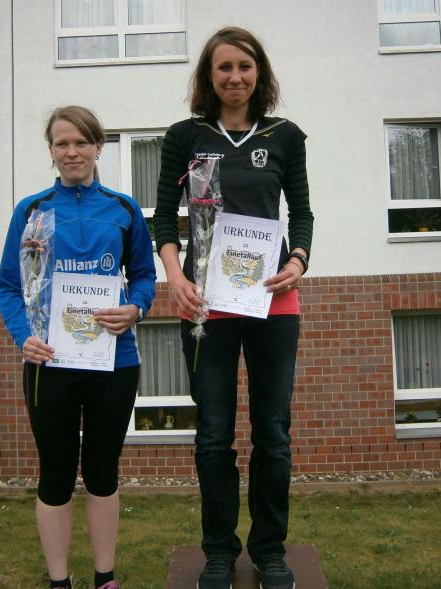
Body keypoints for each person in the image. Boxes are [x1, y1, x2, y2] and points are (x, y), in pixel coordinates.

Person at [152, 26, 313, 589]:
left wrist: (298, 261)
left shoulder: (285, 136)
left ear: (259, 73)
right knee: (214, 435)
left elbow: (302, 213)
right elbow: (163, 215)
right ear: (209, 75)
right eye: (224, 67)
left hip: (273, 302)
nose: (235, 77)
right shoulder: (184, 136)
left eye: (245, 67)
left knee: (273, 434)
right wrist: (175, 276)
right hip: (205, 305)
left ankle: (270, 550)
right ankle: (219, 551)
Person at [0, 105, 156, 589]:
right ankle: (59, 581)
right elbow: (9, 287)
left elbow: (144, 277)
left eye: (81, 142)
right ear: (50, 150)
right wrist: (24, 337)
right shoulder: (31, 211)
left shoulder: (124, 209)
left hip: (114, 360)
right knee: (56, 474)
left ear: (98, 146)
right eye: (61, 143)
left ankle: (105, 577)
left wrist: (136, 309)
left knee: (103, 471)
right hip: (50, 364)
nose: (72, 152)